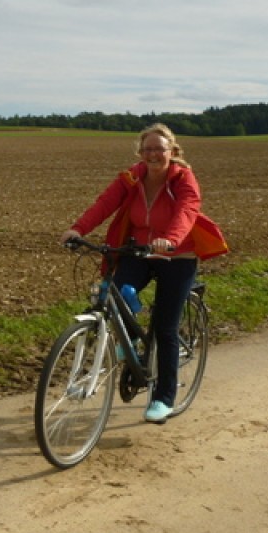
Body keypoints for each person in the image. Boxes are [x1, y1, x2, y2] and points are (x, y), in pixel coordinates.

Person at [60, 123, 226, 424]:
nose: (153, 154)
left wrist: (171, 239)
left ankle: (163, 398)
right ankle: (130, 343)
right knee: (115, 292)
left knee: (165, 328)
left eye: (159, 149)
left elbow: (187, 211)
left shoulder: (183, 179)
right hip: (138, 251)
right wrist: (78, 229)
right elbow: (105, 203)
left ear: (171, 151)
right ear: (140, 152)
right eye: (147, 149)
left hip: (177, 256)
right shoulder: (131, 178)